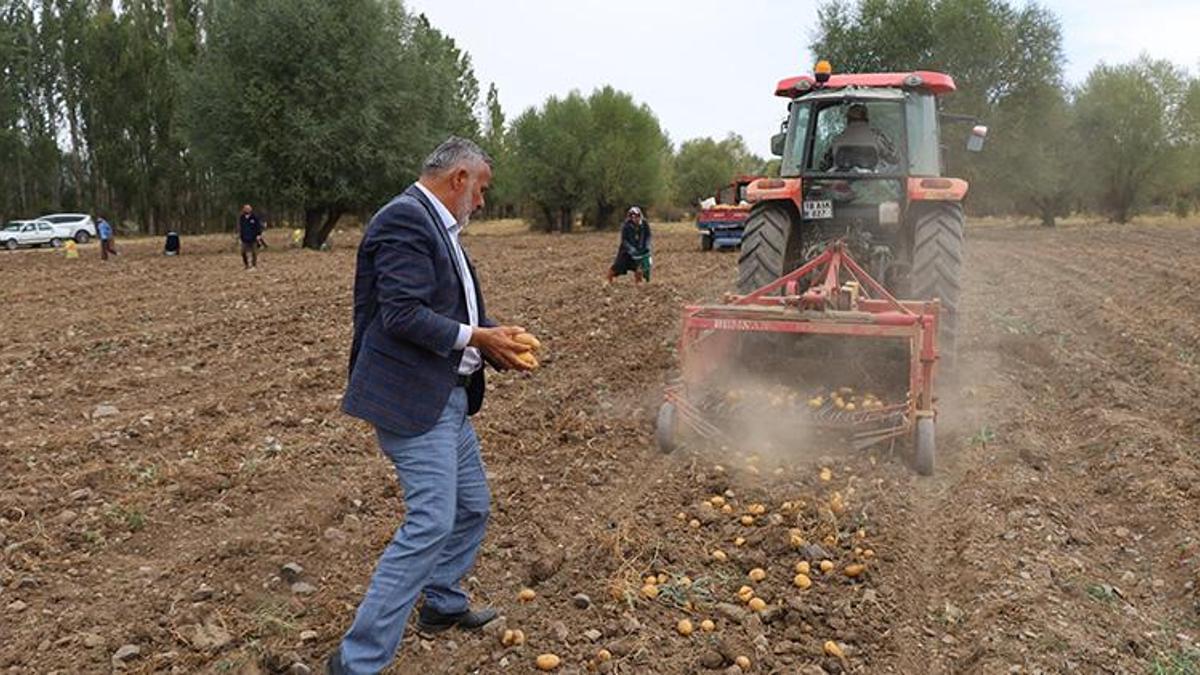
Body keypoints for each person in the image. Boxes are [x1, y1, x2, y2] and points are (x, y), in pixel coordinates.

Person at [328, 137, 535, 675]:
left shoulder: (438, 229)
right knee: (429, 523)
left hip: (447, 398)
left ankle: (440, 603)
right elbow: (401, 315)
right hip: (413, 401)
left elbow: (449, 308)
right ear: (459, 179)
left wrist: (494, 341)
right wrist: (479, 340)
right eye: (483, 189)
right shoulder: (405, 221)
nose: (484, 202)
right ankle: (357, 662)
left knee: (471, 508)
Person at [819, 103, 899, 172]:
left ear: (848, 119)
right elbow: (894, 158)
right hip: (873, 184)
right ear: (867, 118)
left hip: (840, 186)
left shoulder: (837, 139)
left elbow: (824, 165)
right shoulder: (877, 136)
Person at [607, 206, 652, 283]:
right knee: (618, 267)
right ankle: (608, 280)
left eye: (637, 216)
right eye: (633, 217)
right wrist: (631, 248)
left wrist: (647, 245)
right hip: (626, 252)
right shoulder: (626, 226)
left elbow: (648, 236)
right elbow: (624, 240)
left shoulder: (644, 224)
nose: (635, 219)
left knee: (639, 268)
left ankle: (638, 284)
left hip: (639, 250)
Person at [238, 204, 263, 269]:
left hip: (253, 238)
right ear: (243, 209)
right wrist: (240, 236)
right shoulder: (242, 217)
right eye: (246, 208)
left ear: (251, 209)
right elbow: (241, 228)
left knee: (254, 252)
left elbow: (258, 227)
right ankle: (246, 265)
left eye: (248, 208)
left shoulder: (255, 217)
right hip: (244, 238)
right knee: (243, 252)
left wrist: (259, 235)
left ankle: (254, 265)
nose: (247, 210)